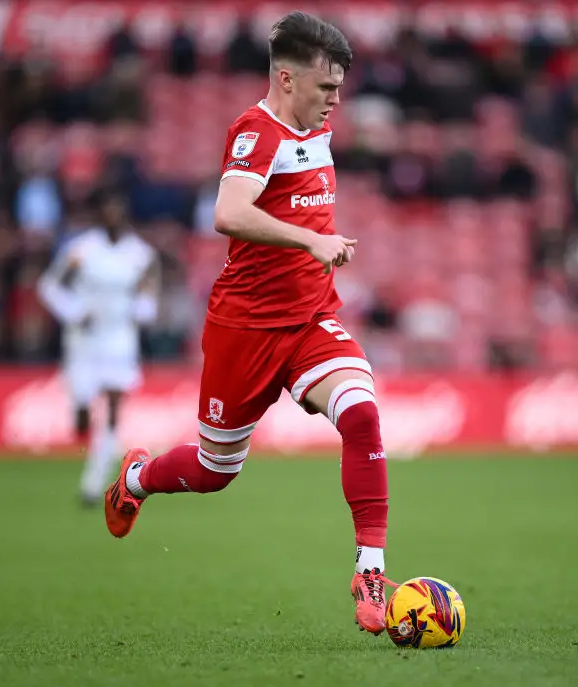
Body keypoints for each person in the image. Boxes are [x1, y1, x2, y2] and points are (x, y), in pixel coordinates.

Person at [103, 11, 395, 635]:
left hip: (312, 318)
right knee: (215, 472)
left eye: (340, 88)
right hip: (246, 328)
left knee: (362, 412)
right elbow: (228, 212)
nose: (336, 101)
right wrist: (309, 243)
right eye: (326, 88)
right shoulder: (255, 131)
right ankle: (136, 477)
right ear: (287, 80)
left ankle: (369, 568)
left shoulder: (318, 130)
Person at [37, 189, 160, 506]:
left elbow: (149, 292)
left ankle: (92, 485)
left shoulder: (140, 254)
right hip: (85, 339)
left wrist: (142, 311)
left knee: (114, 410)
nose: (113, 218)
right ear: (98, 216)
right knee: (83, 414)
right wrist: (74, 311)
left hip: (120, 337)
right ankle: (84, 419)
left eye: (118, 211)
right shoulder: (81, 250)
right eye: (107, 211)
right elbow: (49, 286)